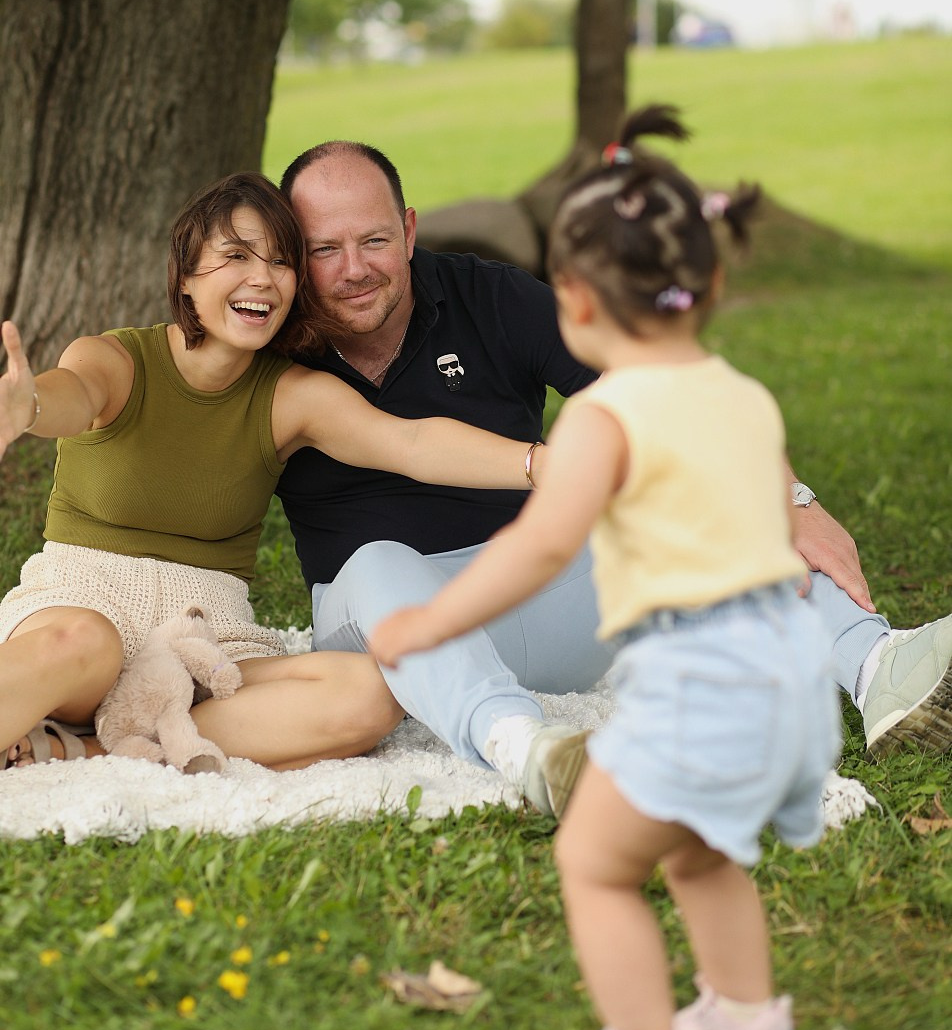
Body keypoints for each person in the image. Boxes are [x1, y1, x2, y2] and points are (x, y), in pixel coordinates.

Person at [277, 138, 952, 813]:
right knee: (377, 563)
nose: (353, 270)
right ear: (292, 254)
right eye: (323, 250)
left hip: (527, 596)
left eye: (374, 241)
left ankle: (881, 669)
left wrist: (793, 501)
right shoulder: (272, 346)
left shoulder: (485, 295)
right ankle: (528, 748)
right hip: (372, 631)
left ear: (410, 230)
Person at [369, 105, 841, 1030]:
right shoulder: (744, 395)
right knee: (702, 859)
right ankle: (748, 1022)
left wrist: (428, 623)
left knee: (595, 862)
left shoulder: (601, 420)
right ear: (706, 282)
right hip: (788, 687)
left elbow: (538, 549)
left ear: (573, 301)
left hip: (699, 691)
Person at [0, 172, 546, 774]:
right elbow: (71, 395)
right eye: (235, 255)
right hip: (82, 612)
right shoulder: (114, 359)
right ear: (185, 274)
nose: (261, 276)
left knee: (371, 693)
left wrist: (538, 463)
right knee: (87, 642)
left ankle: (96, 748)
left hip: (206, 640)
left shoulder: (293, 395)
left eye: (281, 260)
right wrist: (29, 407)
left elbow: (410, 442)